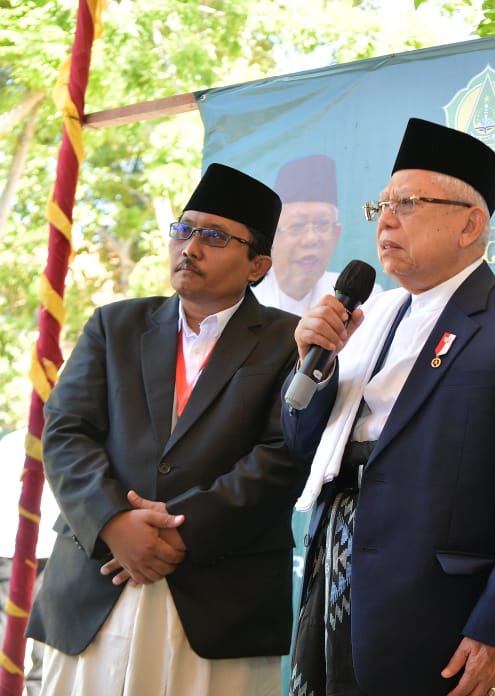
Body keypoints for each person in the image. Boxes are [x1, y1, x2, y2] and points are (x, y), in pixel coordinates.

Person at [283, 117, 495, 696]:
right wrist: (315, 365)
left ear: (470, 224)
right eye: (381, 207)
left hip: (439, 612)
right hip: (334, 582)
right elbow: (301, 445)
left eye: (407, 203)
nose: (386, 220)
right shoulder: (368, 319)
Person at [26, 163, 309, 695]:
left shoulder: (289, 340)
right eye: (183, 230)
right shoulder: (115, 325)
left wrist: (181, 531)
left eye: (215, 236)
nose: (190, 248)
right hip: (97, 581)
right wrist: (113, 522)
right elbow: (65, 431)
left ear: (258, 265)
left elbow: (284, 454)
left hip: (219, 597)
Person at [1, 428, 60, 696]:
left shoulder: (59, 439)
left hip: (44, 549)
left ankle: (36, 686)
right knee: (12, 622)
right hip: (12, 549)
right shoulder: (14, 442)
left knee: (40, 626)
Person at [253, 154, 346, 314]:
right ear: (273, 235)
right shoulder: (242, 296)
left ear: (336, 235)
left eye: (323, 224)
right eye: (297, 225)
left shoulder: (360, 302)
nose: (311, 239)